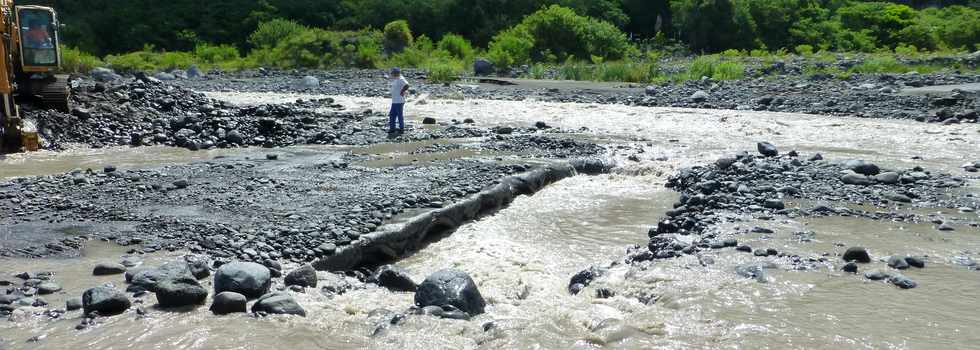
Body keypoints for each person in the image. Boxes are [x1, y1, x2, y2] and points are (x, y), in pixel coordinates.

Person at [388, 67, 409, 133]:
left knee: (399, 115)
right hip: (394, 100)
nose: (392, 74)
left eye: (393, 73)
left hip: (399, 101)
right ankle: (392, 128)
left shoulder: (401, 79)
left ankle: (401, 129)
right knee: (392, 114)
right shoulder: (396, 78)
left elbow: (407, 85)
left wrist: (402, 91)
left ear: (396, 73)